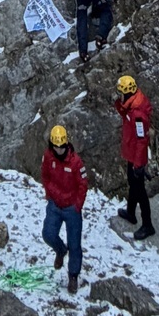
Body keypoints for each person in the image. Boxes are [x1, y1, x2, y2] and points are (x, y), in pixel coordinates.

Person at [40, 122, 88, 293]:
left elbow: (83, 184)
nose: (59, 150)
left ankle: (73, 275)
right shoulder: (48, 157)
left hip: (71, 208)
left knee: (75, 244)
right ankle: (60, 250)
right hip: (54, 204)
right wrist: (50, 193)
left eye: (62, 146)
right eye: (56, 146)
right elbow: (45, 175)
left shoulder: (76, 162)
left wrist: (77, 205)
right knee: (48, 234)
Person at [115, 73, 156, 241]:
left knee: (140, 191)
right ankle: (131, 212)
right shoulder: (131, 105)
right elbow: (124, 112)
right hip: (131, 153)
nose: (119, 95)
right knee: (132, 183)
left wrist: (139, 165)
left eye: (120, 93)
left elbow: (142, 140)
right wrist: (119, 103)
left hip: (136, 157)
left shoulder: (138, 114)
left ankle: (148, 225)